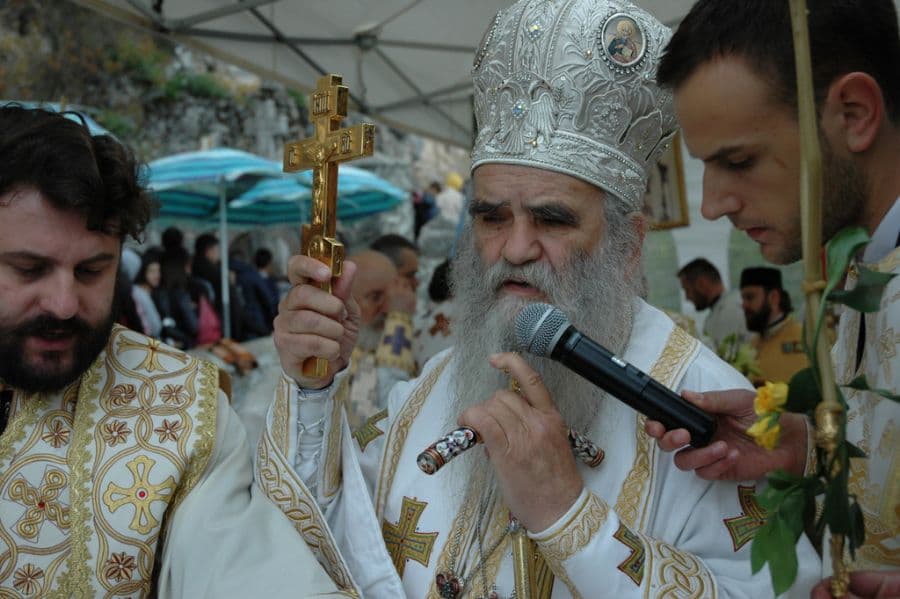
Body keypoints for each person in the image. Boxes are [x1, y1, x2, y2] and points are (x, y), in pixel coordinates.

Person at [260, 1, 821, 596]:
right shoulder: (431, 388)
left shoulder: (699, 420)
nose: (516, 248)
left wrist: (567, 515)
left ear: (627, 246)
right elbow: (323, 545)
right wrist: (315, 387)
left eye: (551, 220)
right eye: (491, 217)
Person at [0, 105, 355, 597]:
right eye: (28, 269)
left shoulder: (181, 405)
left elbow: (245, 570)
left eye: (91, 271)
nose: (63, 305)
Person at [648, 0, 900, 592]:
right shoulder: (858, 268)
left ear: (854, 114)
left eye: (738, 160)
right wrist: (806, 444)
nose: (712, 204)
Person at [340, 249, 417, 429]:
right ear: (344, 304)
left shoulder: (375, 344)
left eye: (391, 296)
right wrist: (399, 322)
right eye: (375, 297)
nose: (387, 308)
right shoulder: (339, 359)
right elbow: (389, 415)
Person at [739, 267, 808, 387]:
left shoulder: (805, 338)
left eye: (750, 297)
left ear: (774, 297)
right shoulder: (752, 344)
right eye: (743, 299)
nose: (744, 305)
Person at [677, 258, 749, 350]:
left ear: (701, 284)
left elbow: (727, 357)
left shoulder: (731, 309)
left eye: (687, 290)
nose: (687, 298)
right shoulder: (719, 311)